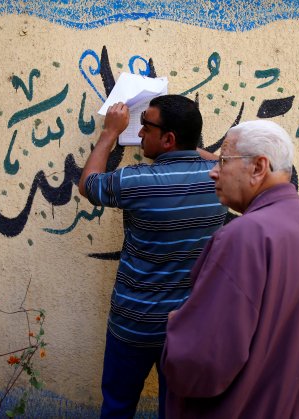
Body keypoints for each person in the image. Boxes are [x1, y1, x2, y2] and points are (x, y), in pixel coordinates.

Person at [161, 120, 299, 418]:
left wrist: (179, 323)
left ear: (259, 167)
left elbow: (202, 362)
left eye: (222, 160)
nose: (213, 172)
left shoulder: (244, 235)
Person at [78, 95, 228, 419]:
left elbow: (88, 185)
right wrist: (188, 149)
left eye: (146, 126)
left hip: (133, 323)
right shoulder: (221, 181)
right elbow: (217, 160)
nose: (140, 132)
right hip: (187, 328)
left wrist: (109, 134)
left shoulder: (136, 181)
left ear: (169, 139)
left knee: (117, 407)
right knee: (175, 411)